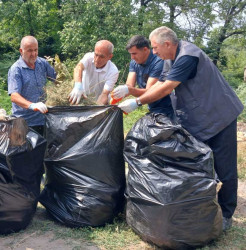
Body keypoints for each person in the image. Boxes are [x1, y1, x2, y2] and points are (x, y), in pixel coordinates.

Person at [119, 26, 244, 231]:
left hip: (219, 116)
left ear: (167, 44)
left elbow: (168, 87)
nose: (155, 52)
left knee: (224, 166)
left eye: (156, 47)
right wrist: (132, 92)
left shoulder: (188, 56)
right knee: (198, 163)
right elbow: (160, 83)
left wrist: (138, 102)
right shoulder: (170, 58)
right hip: (198, 119)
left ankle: (227, 214)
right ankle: (203, 208)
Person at [111, 35, 173, 115]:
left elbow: (150, 91)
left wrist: (130, 92)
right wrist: (119, 93)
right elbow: (129, 85)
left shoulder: (158, 62)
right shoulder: (134, 62)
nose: (132, 57)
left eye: (134, 53)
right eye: (130, 54)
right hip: (152, 106)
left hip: (167, 107)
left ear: (145, 49)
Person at [8, 36, 56, 136]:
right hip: (24, 123)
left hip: (43, 119)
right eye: (30, 51)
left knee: (45, 149)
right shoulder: (16, 69)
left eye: (36, 50)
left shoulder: (42, 63)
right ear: (21, 51)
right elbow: (14, 96)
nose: (34, 54)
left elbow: (56, 79)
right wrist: (32, 105)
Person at [69, 40, 119, 105]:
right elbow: (78, 68)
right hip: (82, 96)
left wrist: (95, 108)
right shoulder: (88, 57)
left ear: (110, 57)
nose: (97, 59)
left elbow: (104, 94)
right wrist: (78, 86)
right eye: (96, 55)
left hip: (99, 101)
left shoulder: (113, 71)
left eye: (101, 56)